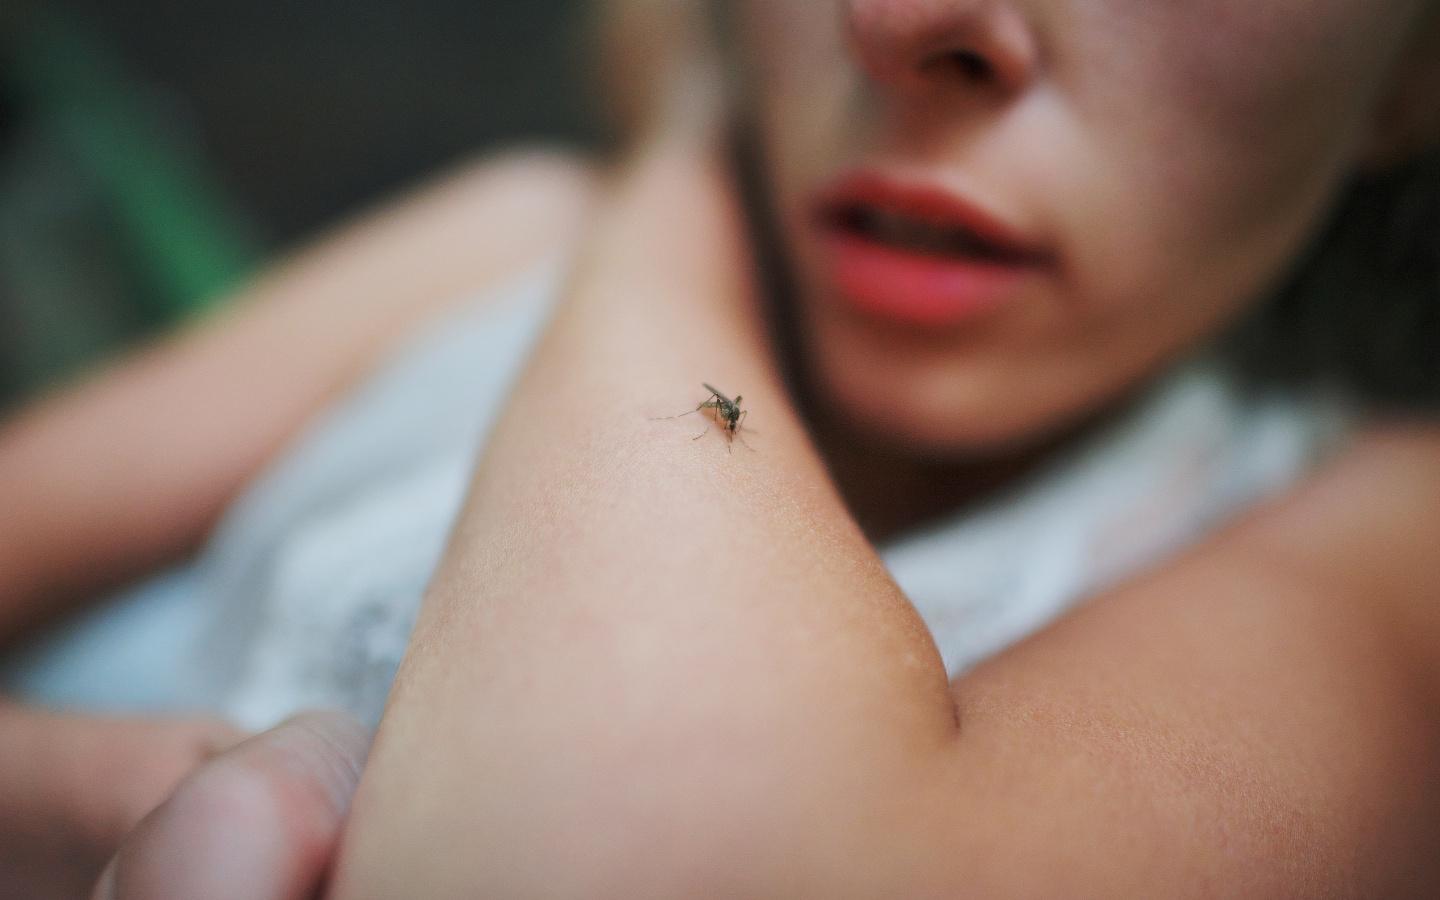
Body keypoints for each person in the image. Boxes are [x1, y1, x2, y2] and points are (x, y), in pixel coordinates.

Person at [2, 0, 1438, 895]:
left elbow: (677, 868)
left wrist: (685, 157)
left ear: (1408, 74)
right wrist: (101, 801)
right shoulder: (499, 249)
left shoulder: (1382, 530)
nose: (903, 21)